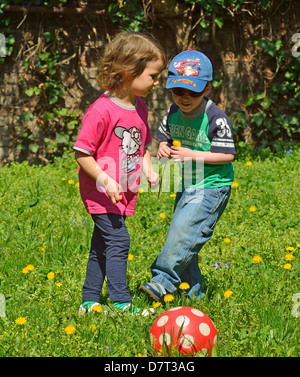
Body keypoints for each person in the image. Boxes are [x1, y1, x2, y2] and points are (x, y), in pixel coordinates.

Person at [73, 31, 166, 316]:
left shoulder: (139, 106)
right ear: (129, 70)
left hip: (123, 192)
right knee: (119, 241)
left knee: (101, 245)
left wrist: (148, 169)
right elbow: (81, 154)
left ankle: (89, 301)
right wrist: (105, 179)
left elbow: (143, 146)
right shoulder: (101, 111)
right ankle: (121, 302)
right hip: (102, 192)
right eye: (153, 75)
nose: (157, 82)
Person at [140, 49, 236, 301]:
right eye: (178, 91)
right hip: (187, 184)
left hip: (212, 187)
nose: (185, 97)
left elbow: (227, 155)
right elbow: (166, 139)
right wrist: (163, 146)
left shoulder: (215, 118)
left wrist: (191, 154)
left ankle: (162, 281)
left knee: (183, 233)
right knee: (186, 236)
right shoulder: (173, 112)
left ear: (206, 89)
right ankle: (193, 294)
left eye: (193, 92)